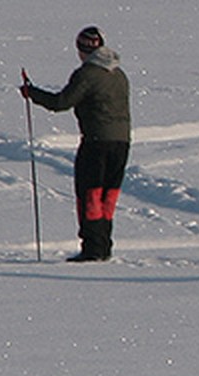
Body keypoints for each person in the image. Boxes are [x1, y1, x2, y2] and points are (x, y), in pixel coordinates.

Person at [22, 26, 131, 262]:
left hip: (96, 142)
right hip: (122, 143)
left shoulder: (88, 73)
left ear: (82, 49)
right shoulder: (119, 74)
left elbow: (61, 102)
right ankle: (103, 247)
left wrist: (32, 93)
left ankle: (92, 250)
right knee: (108, 196)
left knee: (90, 194)